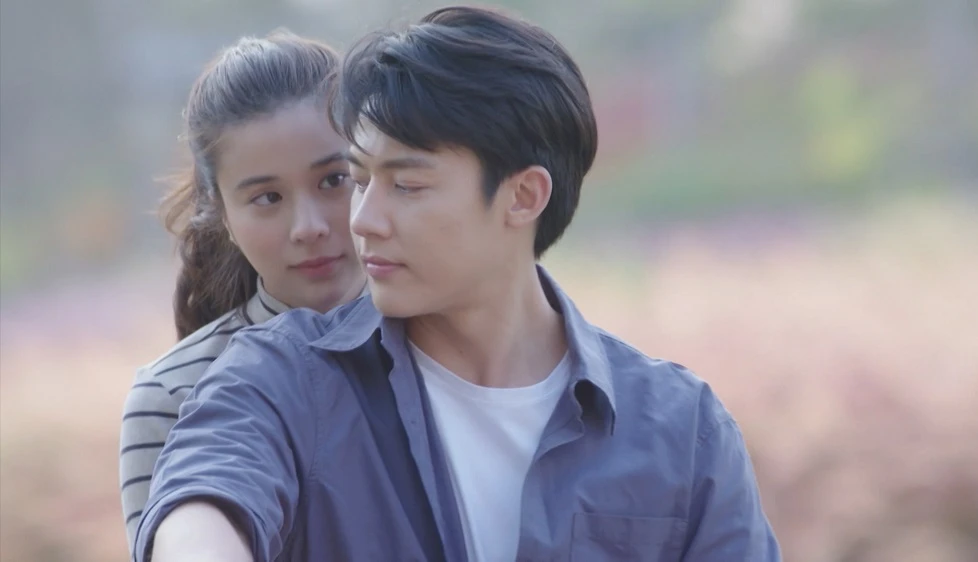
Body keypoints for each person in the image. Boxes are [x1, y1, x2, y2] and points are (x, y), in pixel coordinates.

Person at [135, 6, 782, 562]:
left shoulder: (679, 429)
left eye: (406, 185)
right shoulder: (282, 379)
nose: (361, 220)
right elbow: (203, 502)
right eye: (358, 180)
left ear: (522, 196)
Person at [118, 30, 367, 556]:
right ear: (222, 214)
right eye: (268, 197)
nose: (309, 227)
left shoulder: (446, 338)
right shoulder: (173, 395)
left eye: (333, 180)